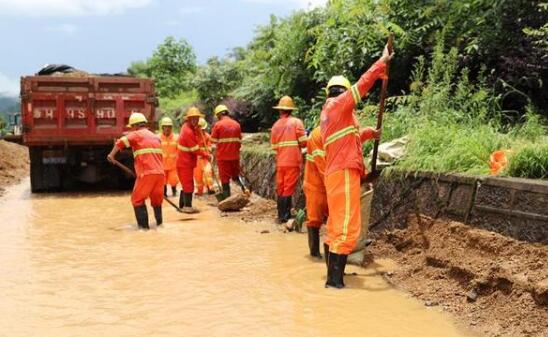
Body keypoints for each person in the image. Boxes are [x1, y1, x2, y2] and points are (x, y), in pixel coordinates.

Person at [321, 43, 394, 288]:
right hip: (342, 172)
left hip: (337, 172)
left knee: (336, 225)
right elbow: (362, 85)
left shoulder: (336, 115)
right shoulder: (337, 106)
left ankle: (333, 276)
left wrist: (365, 134)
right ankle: (334, 282)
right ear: (339, 92)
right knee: (346, 226)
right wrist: (381, 63)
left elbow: (345, 140)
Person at [107, 112, 164, 230]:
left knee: (137, 200)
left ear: (136, 126)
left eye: (132, 127)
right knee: (156, 201)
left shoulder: (137, 134)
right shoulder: (155, 136)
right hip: (160, 174)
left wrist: (111, 155)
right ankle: (160, 225)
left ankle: (144, 230)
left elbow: (121, 142)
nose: (131, 130)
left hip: (146, 174)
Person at [270, 96, 307, 224]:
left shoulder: (275, 126)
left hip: (281, 162)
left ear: (280, 110)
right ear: (291, 110)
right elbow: (303, 143)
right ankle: (285, 217)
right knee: (288, 189)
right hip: (293, 161)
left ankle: (281, 215)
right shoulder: (297, 122)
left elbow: (274, 147)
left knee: (281, 188)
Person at [176, 107, 209, 214]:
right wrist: (206, 155)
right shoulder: (188, 131)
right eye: (193, 118)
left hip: (185, 162)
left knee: (186, 183)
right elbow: (194, 149)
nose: (195, 120)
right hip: (185, 162)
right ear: (188, 119)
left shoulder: (188, 128)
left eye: (197, 118)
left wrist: (198, 130)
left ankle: (183, 206)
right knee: (188, 184)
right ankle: (187, 206)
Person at [303, 126, 327, 259]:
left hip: (323, 184)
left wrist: (368, 133)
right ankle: (315, 253)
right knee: (314, 220)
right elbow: (322, 166)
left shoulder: (333, 131)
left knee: (335, 220)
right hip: (316, 185)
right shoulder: (318, 135)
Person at [210, 104, 244, 199]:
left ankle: (227, 197)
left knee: (225, 178)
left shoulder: (218, 125)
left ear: (218, 115)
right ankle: (245, 190)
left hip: (223, 157)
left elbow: (213, 141)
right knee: (236, 174)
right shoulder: (237, 124)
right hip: (235, 156)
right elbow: (239, 141)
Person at [158, 116, 179, 197]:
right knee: (163, 181)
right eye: (165, 127)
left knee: (174, 180)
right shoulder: (158, 138)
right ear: (162, 127)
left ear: (171, 128)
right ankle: (164, 194)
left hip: (173, 164)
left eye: (169, 127)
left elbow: (180, 150)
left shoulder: (176, 138)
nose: (167, 129)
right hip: (162, 165)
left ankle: (174, 192)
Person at [194, 118, 215, 196]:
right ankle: (199, 190)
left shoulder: (207, 137)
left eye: (203, 129)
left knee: (207, 173)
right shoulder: (194, 137)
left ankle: (210, 188)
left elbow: (209, 147)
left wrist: (208, 151)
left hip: (206, 159)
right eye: (200, 129)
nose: (201, 131)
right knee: (197, 176)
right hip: (197, 160)